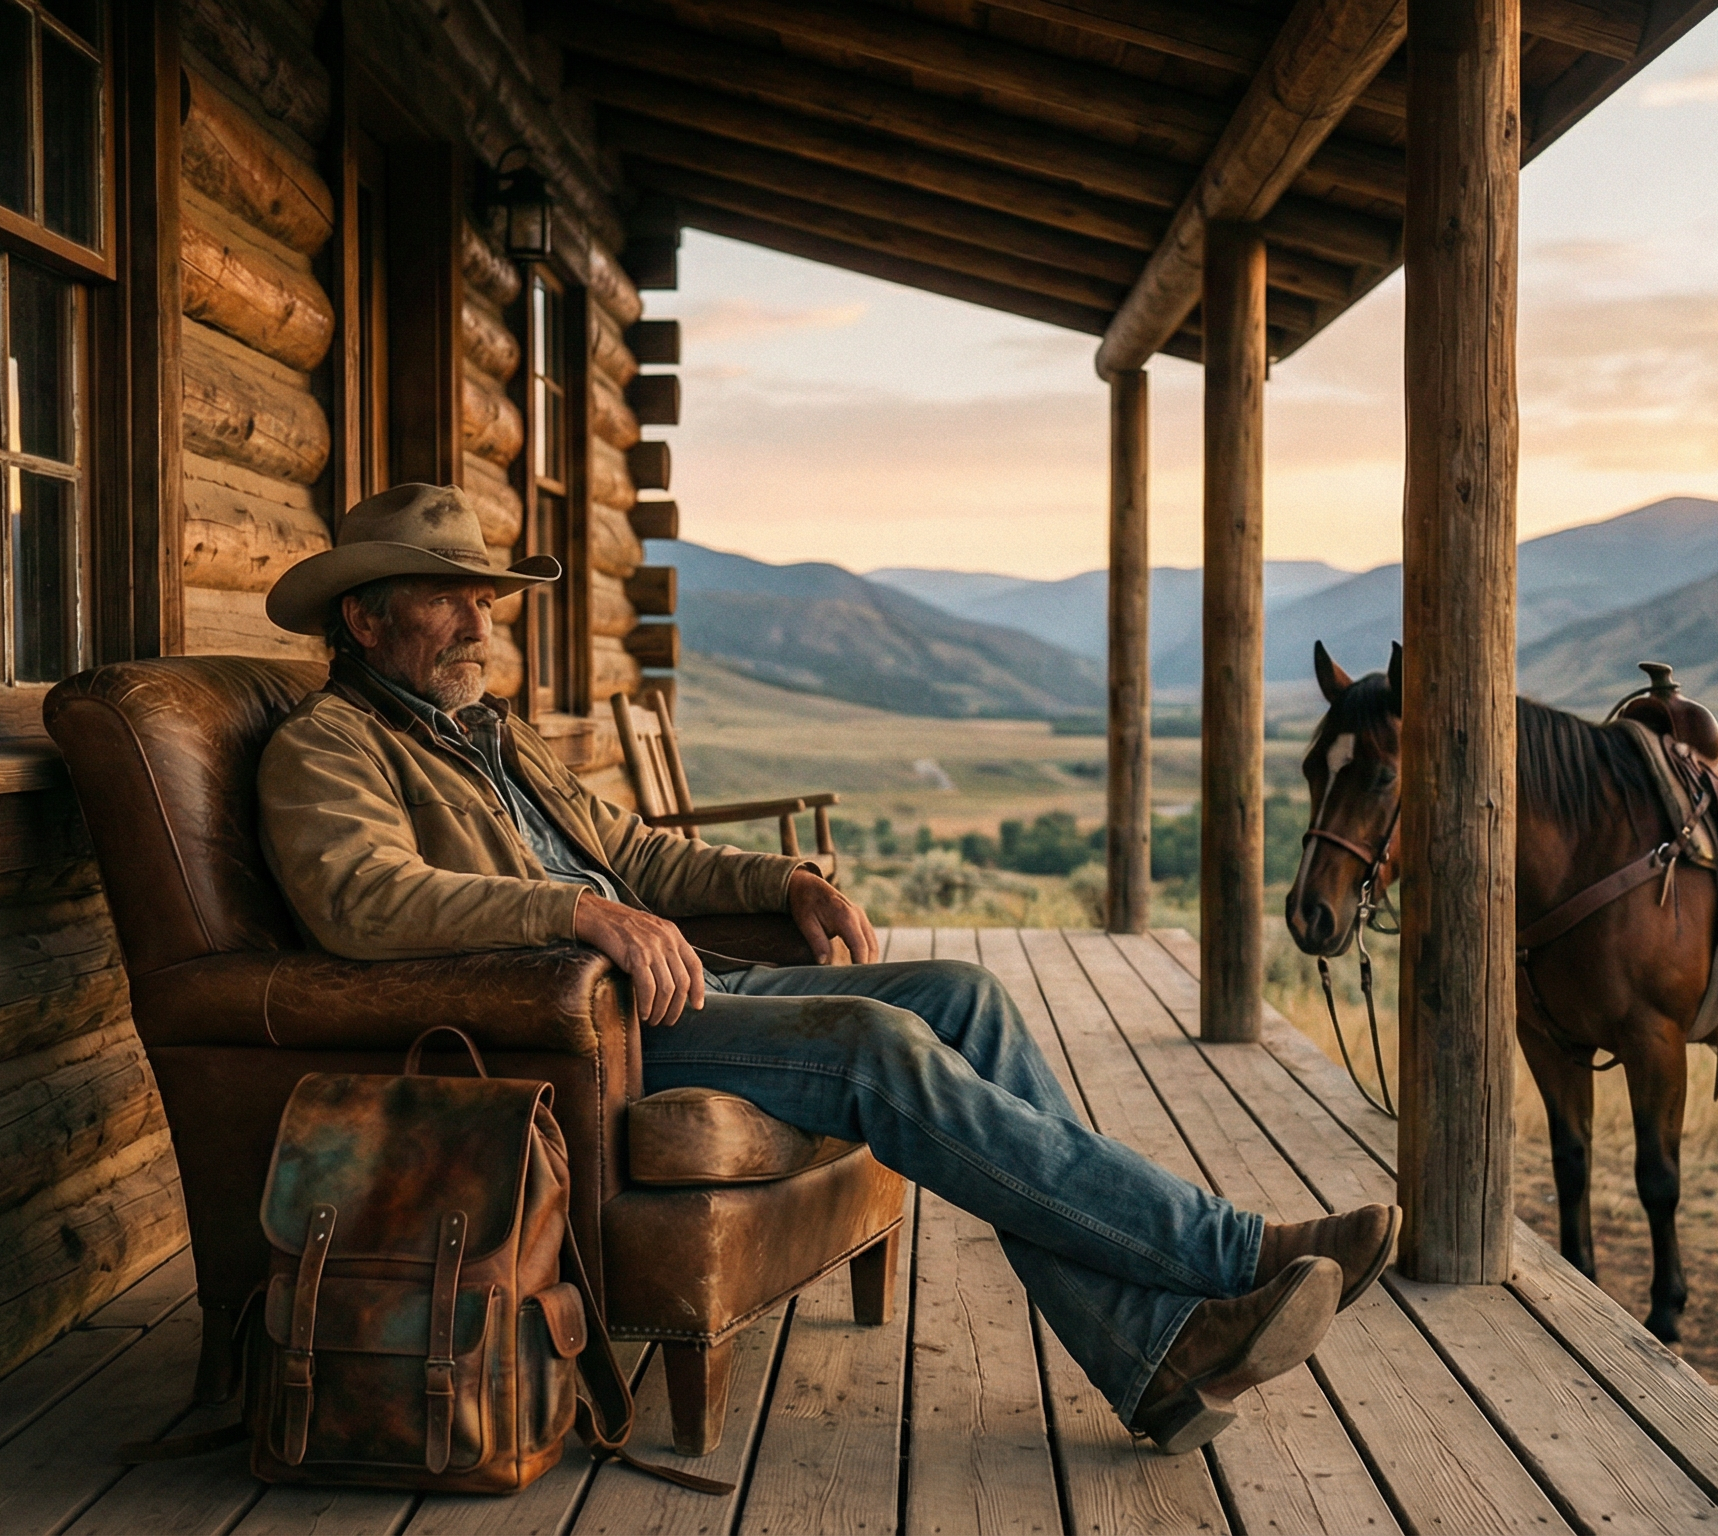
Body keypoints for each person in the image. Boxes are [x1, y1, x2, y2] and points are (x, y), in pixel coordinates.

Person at [254, 484, 1399, 1453]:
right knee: (875, 1046)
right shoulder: (327, 746)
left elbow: (642, 851)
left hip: (684, 981)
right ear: (363, 617)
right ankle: (1230, 1251)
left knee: (962, 995)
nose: (478, 617)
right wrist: (579, 913)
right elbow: (359, 899)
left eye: (485, 595)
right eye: (449, 595)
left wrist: (779, 883)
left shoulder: (495, 740)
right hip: (575, 1031)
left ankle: (1150, 1359)